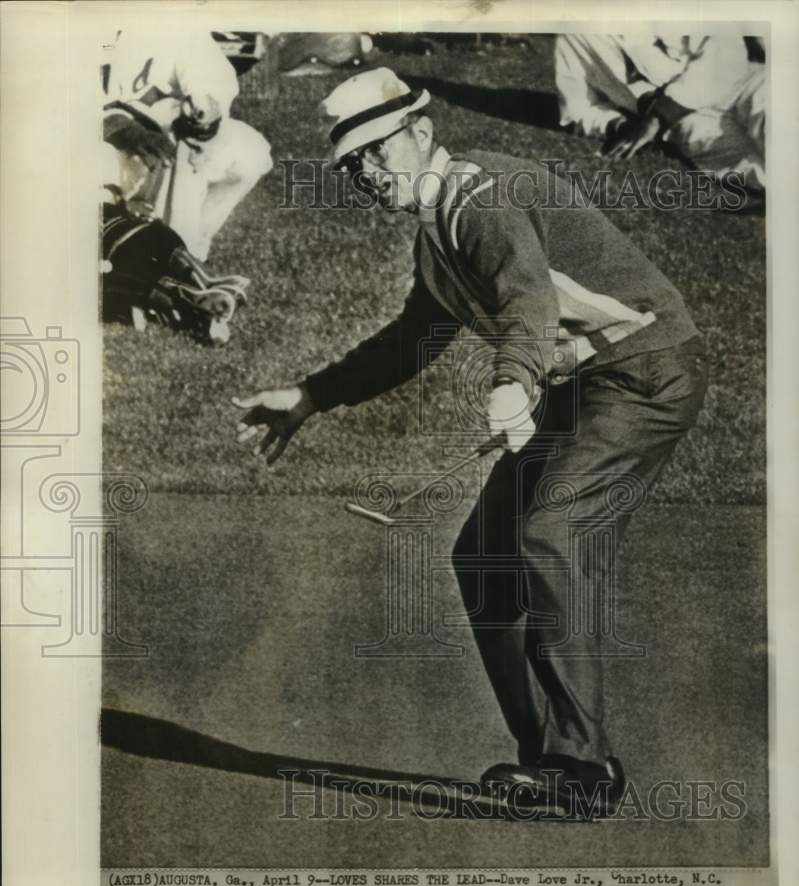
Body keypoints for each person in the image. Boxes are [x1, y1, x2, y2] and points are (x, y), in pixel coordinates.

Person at [233, 68, 708, 816]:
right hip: (585, 384)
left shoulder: (480, 200)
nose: (364, 173)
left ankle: (578, 768)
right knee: (483, 554)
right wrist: (311, 395)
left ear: (420, 132)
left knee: (553, 533)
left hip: (644, 373)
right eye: (350, 163)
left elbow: (528, 299)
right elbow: (410, 344)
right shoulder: (437, 235)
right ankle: (546, 760)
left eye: (375, 151)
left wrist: (512, 382)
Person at [103, 28, 273, 262]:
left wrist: (204, 113)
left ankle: (185, 258)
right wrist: (127, 131)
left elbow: (205, 76)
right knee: (170, 155)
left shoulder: (175, 22)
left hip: (159, 143)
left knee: (248, 152)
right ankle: (170, 264)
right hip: (100, 149)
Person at [555, 34, 765, 191]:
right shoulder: (573, 37)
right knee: (760, 173)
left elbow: (728, 47)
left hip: (740, 81)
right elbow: (577, 110)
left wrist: (659, 116)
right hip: (689, 123)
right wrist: (620, 125)